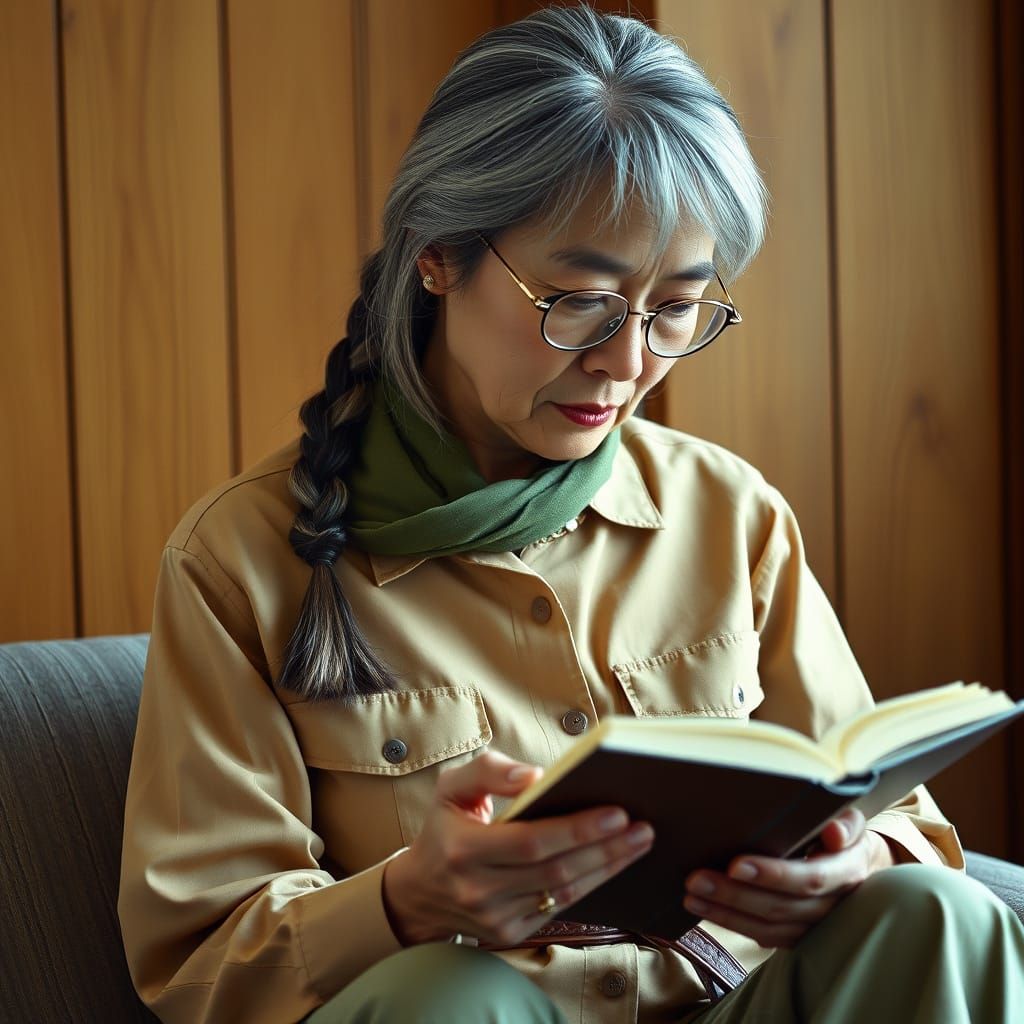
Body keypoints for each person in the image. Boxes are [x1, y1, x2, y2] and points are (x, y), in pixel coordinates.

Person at [117, 6, 1024, 1023]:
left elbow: (892, 814)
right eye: (577, 299)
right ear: (438, 256)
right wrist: (406, 900)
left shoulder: (731, 515)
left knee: (941, 915)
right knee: (442, 994)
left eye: (677, 306)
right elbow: (198, 954)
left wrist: (852, 859)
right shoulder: (237, 563)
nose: (628, 362)